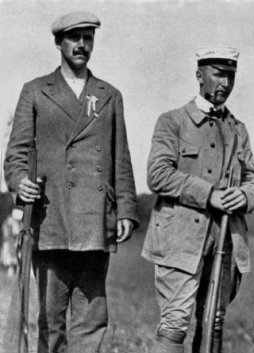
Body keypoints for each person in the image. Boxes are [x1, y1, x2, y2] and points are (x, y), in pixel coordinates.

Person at [3, 11, 138, 353]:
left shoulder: (109, 95)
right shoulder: (35, 91)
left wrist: (125, 210)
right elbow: (15, 155)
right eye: (74, 38)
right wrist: (20, 183)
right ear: (58, 43)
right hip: (51, 220)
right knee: (51, 321)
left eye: (88, 38)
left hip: (94, 220)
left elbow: (120, 157)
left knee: (92, 321)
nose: (81, 45)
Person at [142, 47, 254, 353]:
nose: (226, 82)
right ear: (199, 76)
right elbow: (157, 175)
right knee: (174, 324)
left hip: (225, 243)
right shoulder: (172, 121)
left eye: (231, 75)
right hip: (179, 241)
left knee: (213, 321)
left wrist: (243, 196)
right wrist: (210, 195)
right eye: (219, 74)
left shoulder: (238, 130)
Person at [1, 207, 22, 277]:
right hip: (9, 242)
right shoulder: (9, 223)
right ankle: (10, 272)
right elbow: (11, 233)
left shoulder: (12, 223)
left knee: (14, 256)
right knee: (10, 256)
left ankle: (13, 272)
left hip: (12, 242)